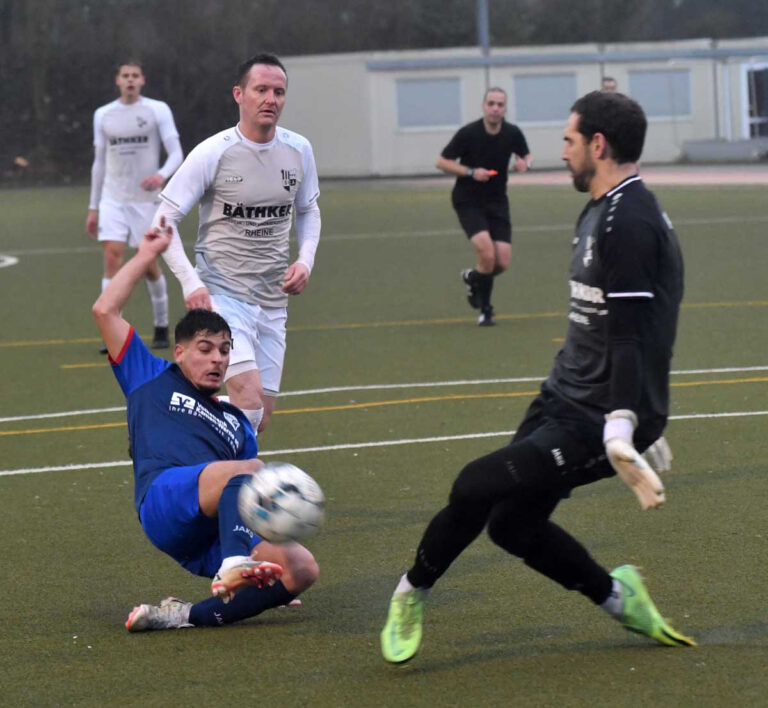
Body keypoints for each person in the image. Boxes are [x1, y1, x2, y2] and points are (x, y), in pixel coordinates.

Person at [381, 90, 694, 663]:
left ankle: (409, 592)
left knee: (476, 485)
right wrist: (641, 397)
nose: (563, 149)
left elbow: (631, 332)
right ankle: (623, 601)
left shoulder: (630, 222)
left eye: (570, 140)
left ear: (598, 145)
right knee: (513, 526)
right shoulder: (602, 205)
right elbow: (639, 319)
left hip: (596, 420)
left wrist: (629, 421)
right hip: (562, 397)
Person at [92, 220, 319, 632]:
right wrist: (147, 254)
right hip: (164, 501)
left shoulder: (236, 422)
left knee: (302, 569)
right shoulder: (151, 377)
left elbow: (247, 500)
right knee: (251, 470)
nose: (218, 359)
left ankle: (183, 616)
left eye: (225, 351)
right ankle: (234, 565)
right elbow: (104, 310)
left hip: (206, 534)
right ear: (179, 352)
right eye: (205, 349)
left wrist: (276, 547)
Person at [156, 52, 321, 435]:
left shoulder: (299, 150)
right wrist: (190, 282)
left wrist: (306, 260)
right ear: (239, 94)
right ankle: (228, 486)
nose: (271, 99)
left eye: (278, 92)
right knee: (247, 400)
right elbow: (162, 220)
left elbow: (309, 210)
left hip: (273, 300)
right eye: (261, 90)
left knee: (259, 417)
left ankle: (178, 411)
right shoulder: (214, 152)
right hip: (222, 295)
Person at [86, 60, 184, 353]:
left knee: (149, 264)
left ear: (142, 80)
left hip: (146, 201)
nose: (130, 80)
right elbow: (99, 162)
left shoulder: (157, 110)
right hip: (113, 198)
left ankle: (161, 326)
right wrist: (94, 207)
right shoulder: (103, 115)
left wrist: (161, 175)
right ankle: (111, 329)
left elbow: (176, 153)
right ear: (117, 81)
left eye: (134, 76)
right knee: (112, 256)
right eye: (124, 76)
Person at [436, 87, 531, 327]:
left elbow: (526, 155)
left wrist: (524, 164)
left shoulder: (512, 133)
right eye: (491, 103)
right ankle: (486, 311)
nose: (495, 108)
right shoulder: (469, 133)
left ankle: (473, 277)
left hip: (497, 200)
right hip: (468, 200)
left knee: (502, 262)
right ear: (483, 106)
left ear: (505, 108)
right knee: (487, 254)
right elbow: (442, 162)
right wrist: (470, 172)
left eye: (500, 104)